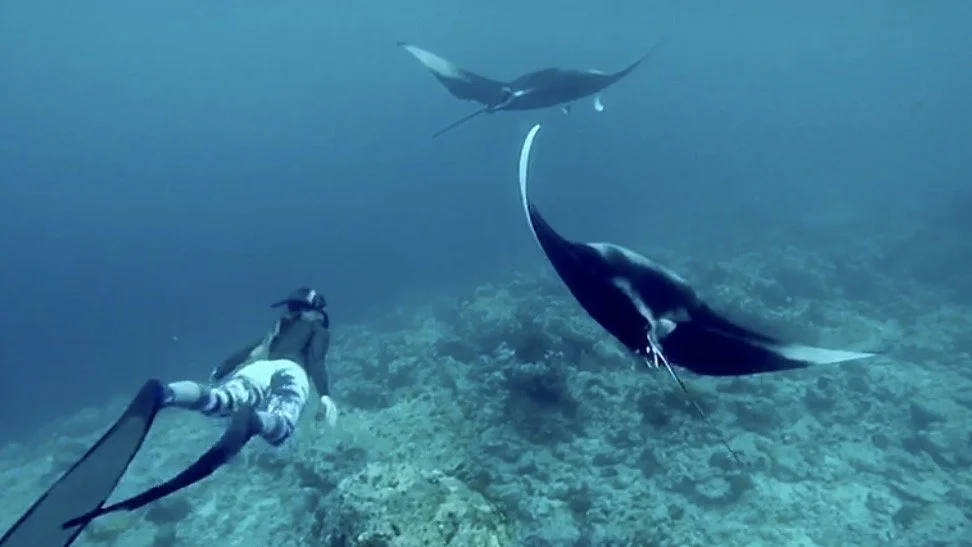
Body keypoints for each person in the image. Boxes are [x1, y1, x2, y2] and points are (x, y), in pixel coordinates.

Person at [163, 286, 338, 445]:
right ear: (313, 309)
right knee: (281, 425)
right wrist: (325, 395)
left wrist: (220, 371)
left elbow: (250, 351)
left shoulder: (279, 330)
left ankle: (167, 393)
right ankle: (254, 421)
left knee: (222, 400)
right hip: (293, 373)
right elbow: (316, 360)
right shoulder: (319, 330)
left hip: (262, 368)